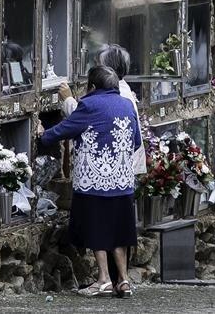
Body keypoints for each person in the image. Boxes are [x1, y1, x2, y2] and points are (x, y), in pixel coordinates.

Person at [40, 65, 141, 298]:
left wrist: (42, 134)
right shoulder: (126, 104)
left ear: (93, 86)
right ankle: (124, 281)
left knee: (98, 229)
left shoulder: (89, 105)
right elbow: (135, 141)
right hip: (122, 181)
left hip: (94, 181)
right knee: (119, 231)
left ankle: (104, 279)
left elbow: (64, 129)